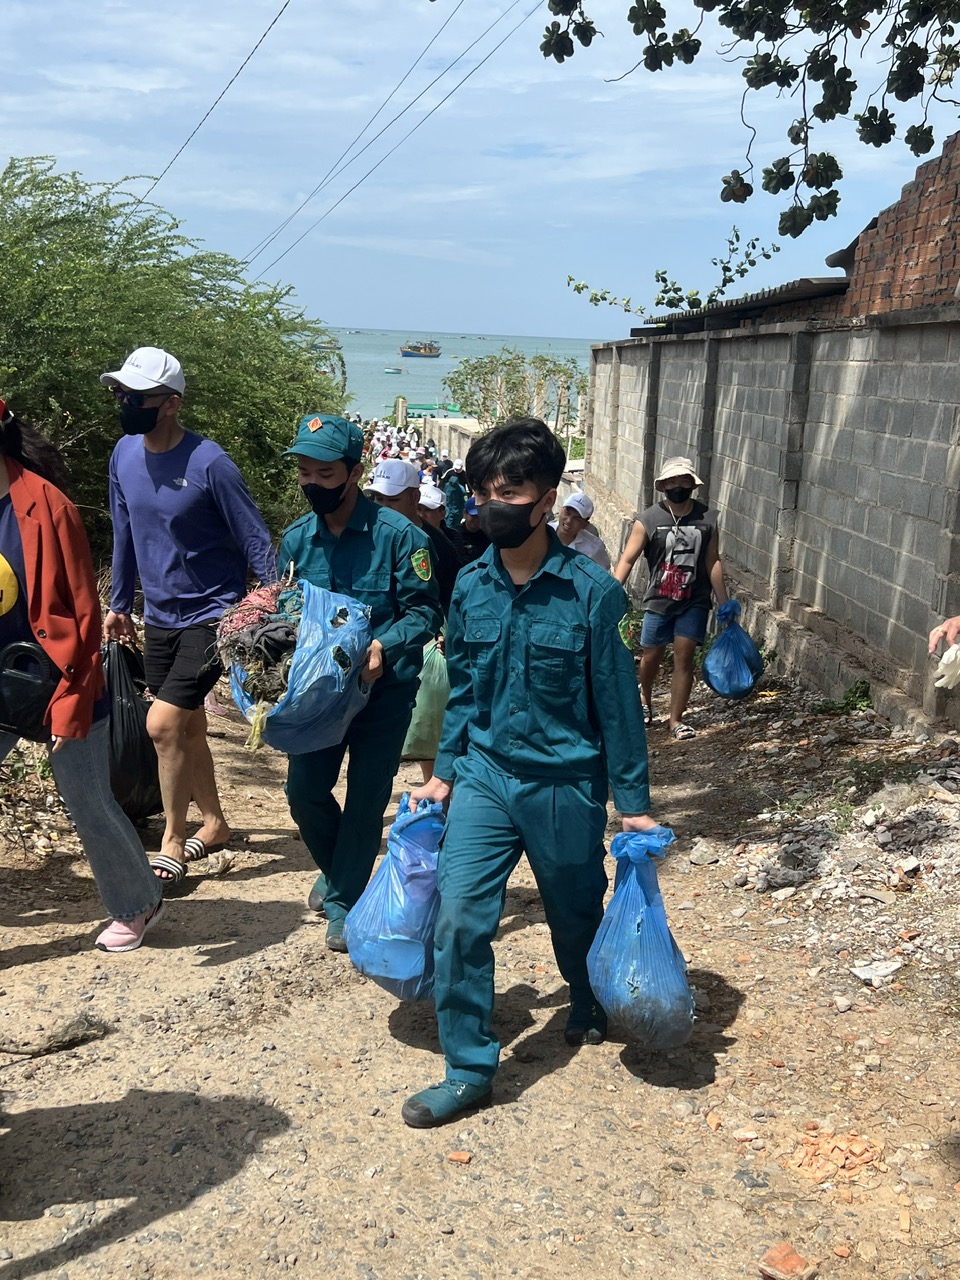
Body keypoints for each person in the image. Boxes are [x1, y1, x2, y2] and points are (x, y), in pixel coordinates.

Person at [403, 418, 658, 1128]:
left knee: (575, 911)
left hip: (564, 782)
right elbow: (466, 688)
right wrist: (446, 772)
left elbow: (616, 703)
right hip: (485, 775)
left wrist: (631, 800)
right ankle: (469, 1067)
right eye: (484, 491)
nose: (494, 504)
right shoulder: (471, 586)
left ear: (547, 499)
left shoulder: (590, 593)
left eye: (510, 491)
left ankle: (585, 992)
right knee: (458, 918)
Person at [101, 347, 277, 887]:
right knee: (189, 724)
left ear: (172, 403)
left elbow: (254, 536)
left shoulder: (210, 463)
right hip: (159, 614)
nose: (127, 403)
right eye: (121, 394)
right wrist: (120, 604)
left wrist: (266, 605)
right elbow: (124, 531)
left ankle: (172, 839)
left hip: (213, 614)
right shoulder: (123, 455)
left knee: (162, 725)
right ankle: (216, 824)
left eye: (139, 396)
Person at [0, 401, 163, 951]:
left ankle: (138, 902)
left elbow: (82, 612)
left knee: (88, 799)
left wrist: (74, 692)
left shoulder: (49, 508)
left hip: (57, 677)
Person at [278, 415, 442, 951]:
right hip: (318, 699)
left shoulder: (402, 537)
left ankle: (345, 898)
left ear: (353, 473)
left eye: (325, 474)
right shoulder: (297, 541)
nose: (312, 484)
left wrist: (382, 645)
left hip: (384, 693)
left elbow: (424, 613)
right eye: (304, 472)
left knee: (368, 796)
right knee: (303, 792)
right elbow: (284, 612)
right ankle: (342, 869)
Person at [614, 455, 728, 740]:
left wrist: (725, 601)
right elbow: (628, 558)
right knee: (652, 654)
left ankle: (676, 720)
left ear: (692, 484)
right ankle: (644, 699)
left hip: (695, 599)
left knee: (684, 656)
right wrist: (612, 591)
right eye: (672, 481)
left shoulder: (707, 519)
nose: (678, 485)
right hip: (659, 599)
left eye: (683, 480)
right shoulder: (648, 519)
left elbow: (712, 560)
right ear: (663, 485)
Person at [550, 492, 611, 570]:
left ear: (585, 524)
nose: (569, 521)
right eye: (567, 513)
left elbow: (602, 576)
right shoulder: (542, 533)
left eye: (577, 519)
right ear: (560, 510)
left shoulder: (594, 549)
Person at [443, 462, 468, 530]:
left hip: (458, 511)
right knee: (448, 527)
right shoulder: (446, 486)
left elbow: (465, 498)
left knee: (457, 527)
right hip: (448, 511)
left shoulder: (461, 489)